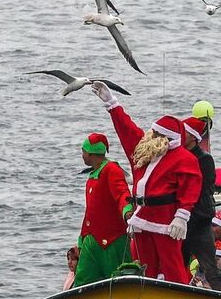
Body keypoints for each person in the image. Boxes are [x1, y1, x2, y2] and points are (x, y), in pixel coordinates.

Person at [90, 82, 201, 283]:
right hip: (141, 219)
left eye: (159, 134)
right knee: (142, 265)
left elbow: (191, 188)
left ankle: (179, 297)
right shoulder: (143, 151)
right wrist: (111, 103)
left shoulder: (184, 159)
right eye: (154, 132)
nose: (153, 137)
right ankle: (144, 295)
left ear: (170, 138)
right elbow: (126, 129)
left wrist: (182, 216)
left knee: (172, 265)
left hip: (165, 221)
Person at [71, 132, 133, 287]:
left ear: (91, 153)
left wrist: (127, 210)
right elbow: (91, 212)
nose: (82, 155)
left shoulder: (111, 170)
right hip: (91, 242)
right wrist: (82, 239)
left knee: (119, 281)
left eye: (83, 152)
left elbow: (122, 193)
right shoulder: (93, 176)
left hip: (112, 240)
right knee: (82, 283)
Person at [181, 115, 221, 291]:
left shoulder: (204, 159)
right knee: (180, 264)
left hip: (200, 221)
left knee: (210, 267)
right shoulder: (178, 156)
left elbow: (204, 187)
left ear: (193, 136)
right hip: (183, 221)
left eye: (183, 132)